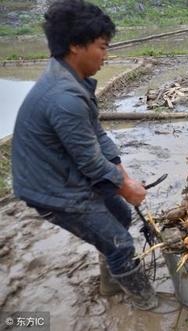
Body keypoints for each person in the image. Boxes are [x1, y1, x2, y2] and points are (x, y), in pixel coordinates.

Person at [11, 0, 163, 312]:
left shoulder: (72, 80)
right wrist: (126, 188)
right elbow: (91, 163)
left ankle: (110, 285)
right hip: (52, 189)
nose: (107, 56)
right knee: (121, 242)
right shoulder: (64, 98)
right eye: (102, 47)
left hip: (60, 170)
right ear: (75, 46)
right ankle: (147, 305)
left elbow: (97, 136)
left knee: (120, 215)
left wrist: (122, 174)